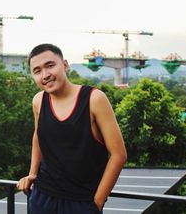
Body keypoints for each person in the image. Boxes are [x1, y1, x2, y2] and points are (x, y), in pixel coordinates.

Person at [17, 43, 127, 214]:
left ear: (65, 65)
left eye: (50, 66)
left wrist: (97, 202)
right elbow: (38, 137)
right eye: (37, 71)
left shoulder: (94, 99)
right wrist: (32, 173)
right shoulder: (38, 101)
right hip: (42, 198)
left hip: (81, 202)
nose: (45, 75)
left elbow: (119, 154)